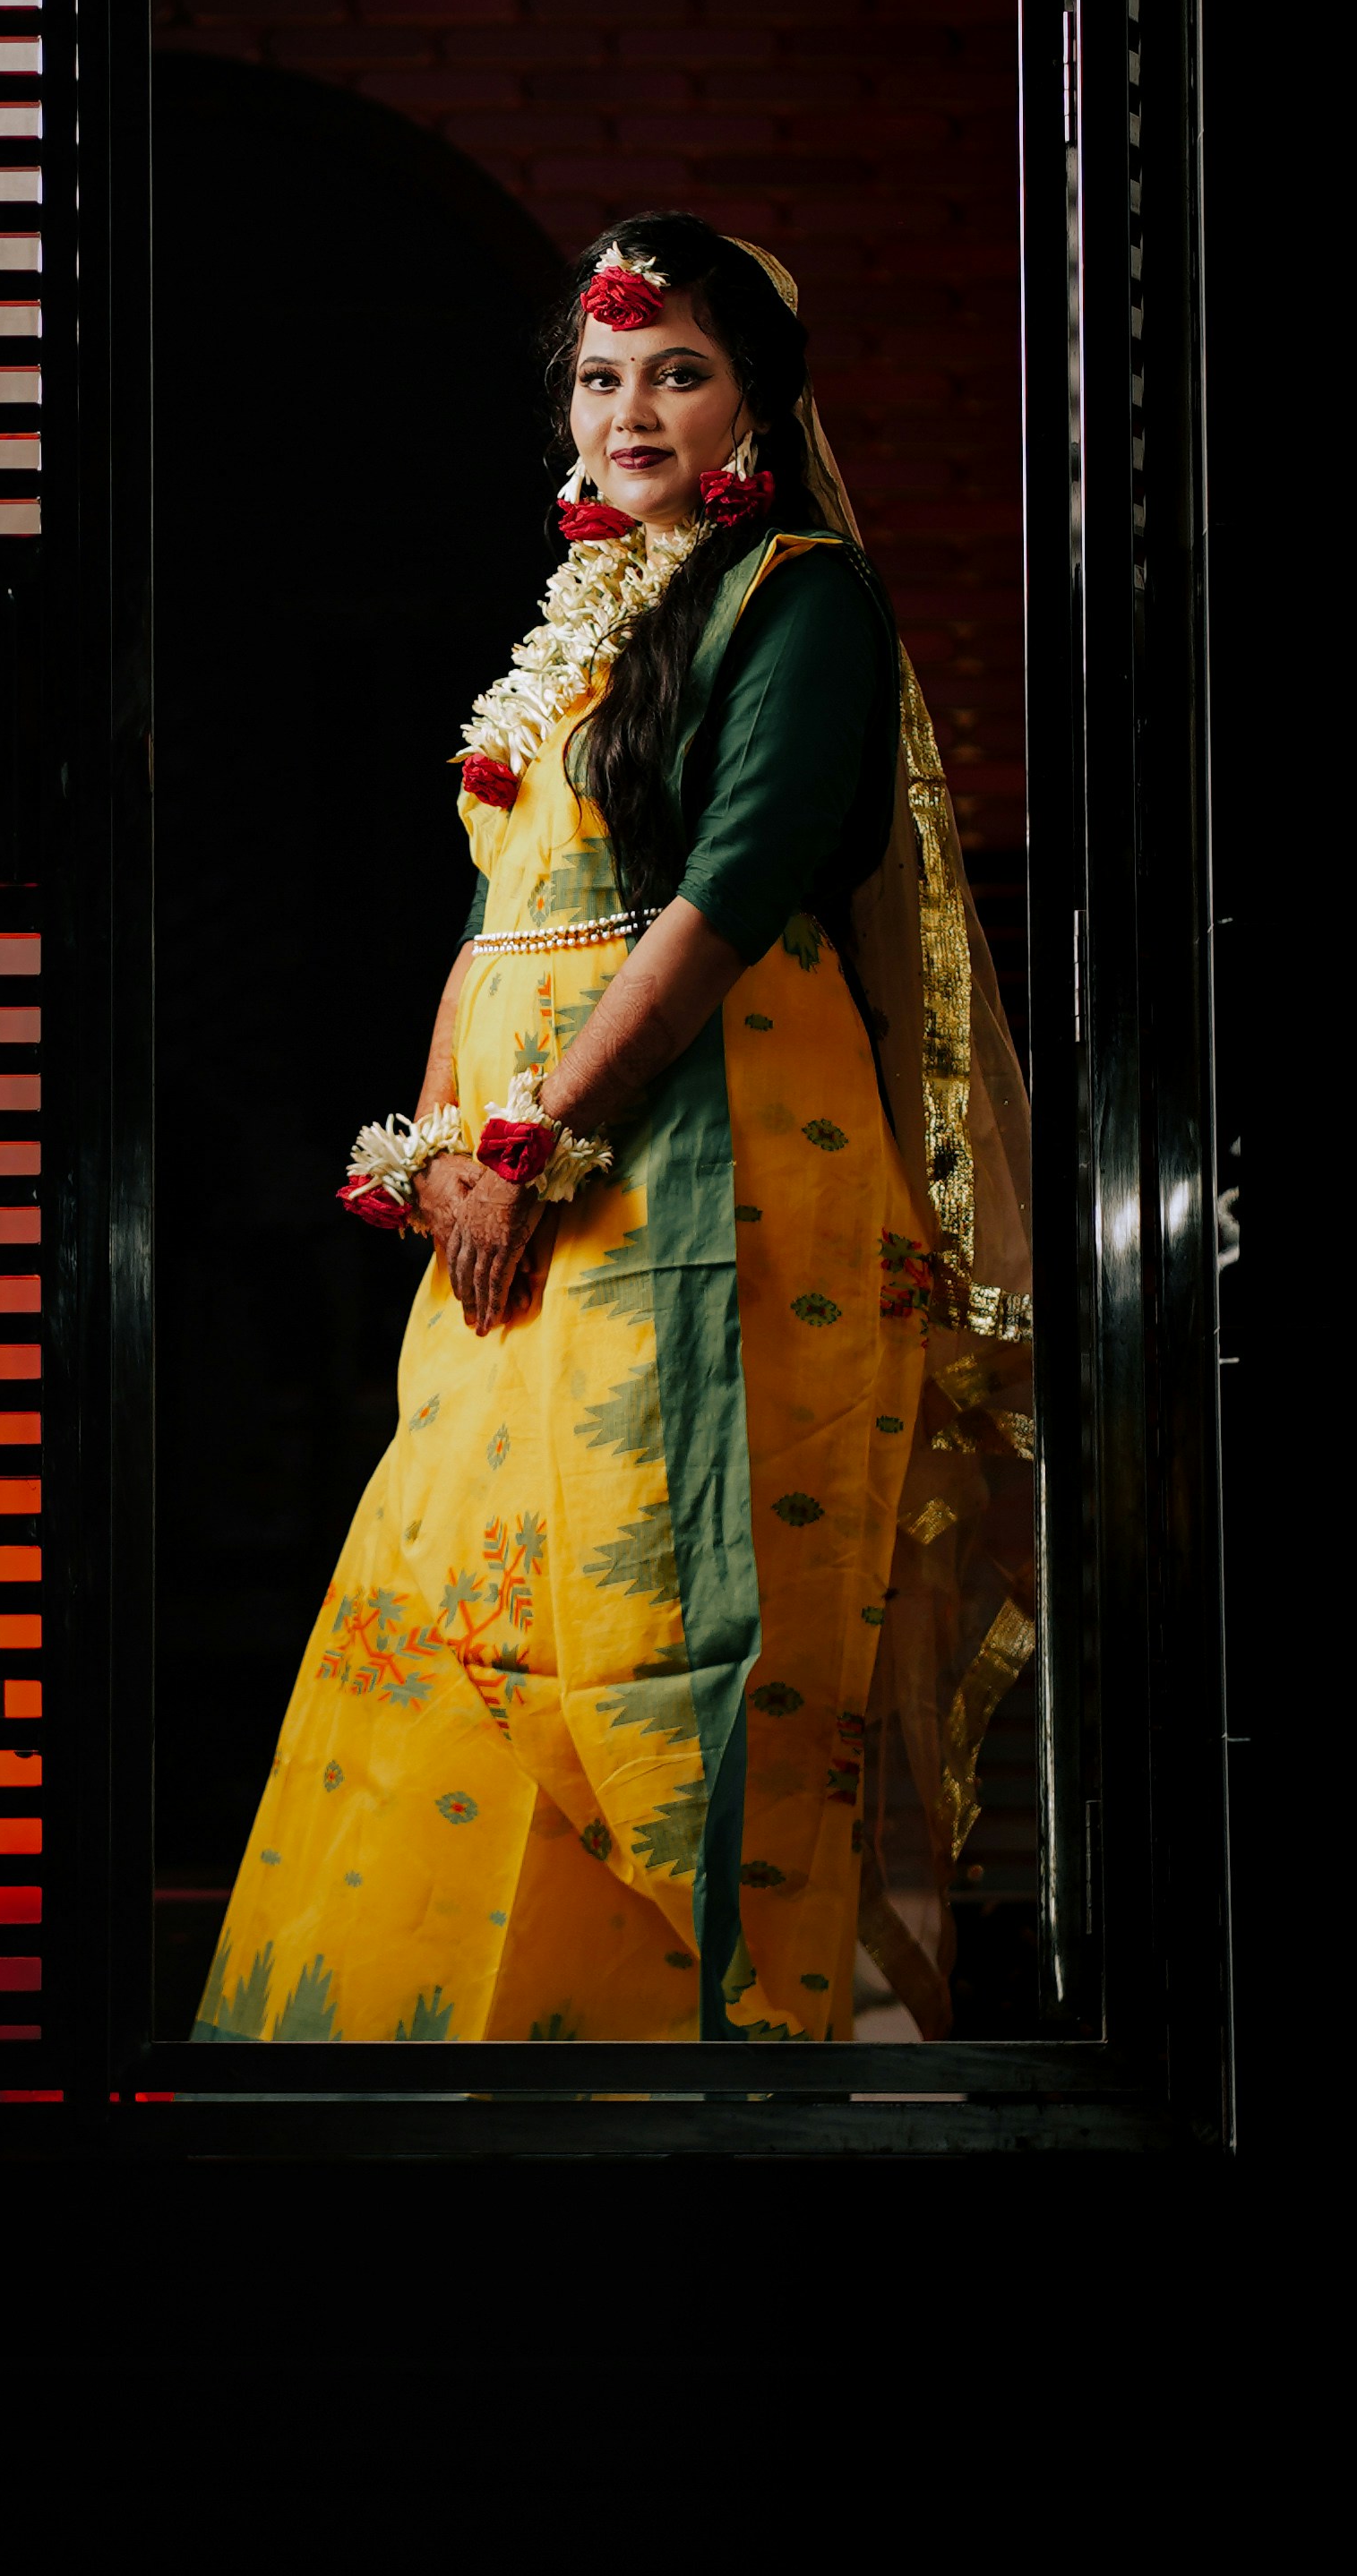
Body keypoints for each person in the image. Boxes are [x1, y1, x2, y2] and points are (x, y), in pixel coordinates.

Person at [199, 211, 1039, 2045]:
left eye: (679, 370)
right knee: (478, 1605)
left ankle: (701, 2063)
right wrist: (436, 1142)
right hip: (532, 1182)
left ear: (755, 402)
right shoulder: (589, 622)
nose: (631, 406)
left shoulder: (796, 591)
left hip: (716, 1179)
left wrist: (527, 1135)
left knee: (676, 1606)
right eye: (602, 374)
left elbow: (731, 894)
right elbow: (502, 917)